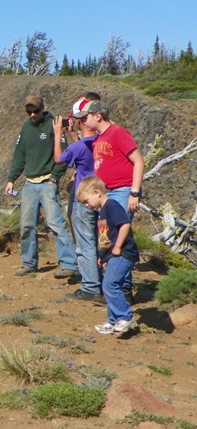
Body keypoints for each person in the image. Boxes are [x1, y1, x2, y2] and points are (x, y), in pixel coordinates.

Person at [4, 94, 77, 277]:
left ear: (43, 108)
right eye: (29, 111)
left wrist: (54, 177)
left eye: (36, 111)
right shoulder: (26, 127)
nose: (32, 114)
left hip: (47, 182)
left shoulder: (53, 124)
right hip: (30, 184)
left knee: (55, 223)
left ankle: (68, 263)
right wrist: (11, 179)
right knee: (26, 225)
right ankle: (29, 263)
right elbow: (19, 154)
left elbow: (63, 154)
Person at [79, 99, 144, 300]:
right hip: (108, 192)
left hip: (122, 190)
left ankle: (123, 289)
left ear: (98, 115)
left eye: (86, 117)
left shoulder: (118, 133)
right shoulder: (99, 139)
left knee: (120, 236)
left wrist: (134, 192)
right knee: (109, 236)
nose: (84, 121)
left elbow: (138, 160)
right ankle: (116, 286)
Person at [53, 97, 103, 302]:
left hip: (83, 199)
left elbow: (59, 158)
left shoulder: (78, 147)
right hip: (100, 197)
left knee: (84, 244)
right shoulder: (98, 142)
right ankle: (101, 281)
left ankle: (90, 287)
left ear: (81, 120)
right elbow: (83, 151)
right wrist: (74, 134)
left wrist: (58, 135)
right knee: (99, 242)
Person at [76, 176, 139, 334]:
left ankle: (126, 316)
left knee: (110, 285)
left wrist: (118, 246)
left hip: (123, 253)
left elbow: (124, 225)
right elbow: (105, 238)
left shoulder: (112, 206)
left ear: (97, 192)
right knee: (108, 287)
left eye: (86, 201)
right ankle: (113, 321)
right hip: (111, 255)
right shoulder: (102, 211)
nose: (86, 205)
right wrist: (102, 256)